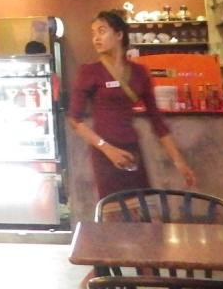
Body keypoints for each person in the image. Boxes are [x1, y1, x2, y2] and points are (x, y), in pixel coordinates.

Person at [68, 10, 197, 199]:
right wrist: (107, 148)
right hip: (105, 154)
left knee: (140, 209)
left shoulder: (139, 72)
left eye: (102, 31)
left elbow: (158, 123)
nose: (96, 38)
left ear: (119, 35)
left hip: (132, 149)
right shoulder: (89, 72)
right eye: (93, 33)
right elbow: (74, 120)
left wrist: (179, 161)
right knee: (113, 210)